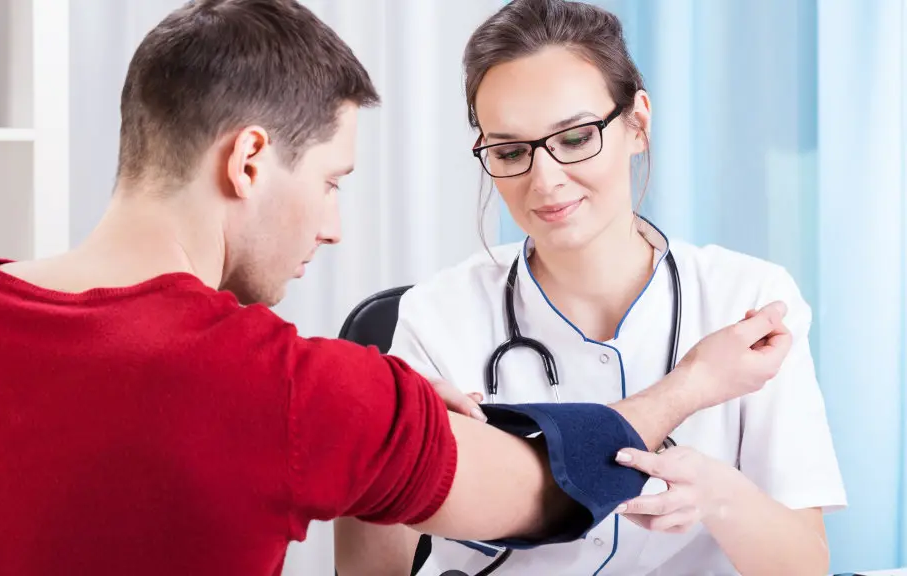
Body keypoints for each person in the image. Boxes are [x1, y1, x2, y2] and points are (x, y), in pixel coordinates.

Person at [0, 1, 792, 576]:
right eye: (331, 181)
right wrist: (695, 386)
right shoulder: (292, 390)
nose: (333, 226)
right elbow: (552, 487)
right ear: (247, 160)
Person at [334, 1, 846, 576]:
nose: (545, 179)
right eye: (509, 152)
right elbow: (376, 557)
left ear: (638, 124)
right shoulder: (437, 315)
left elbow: (806, 563)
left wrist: (720, 494)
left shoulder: (746, 301)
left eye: (576, 138)